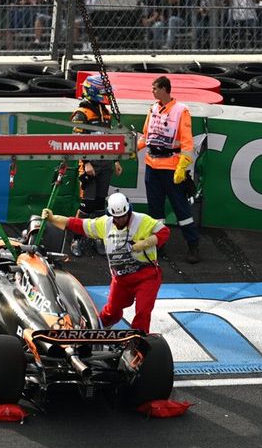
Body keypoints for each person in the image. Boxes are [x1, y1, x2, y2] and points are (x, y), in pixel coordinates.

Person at [41, 192, 168, 333]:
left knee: (143, 312)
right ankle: (97, 332)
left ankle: (138, 341)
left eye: (124, 216)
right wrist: (53, 218)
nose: (121, 220)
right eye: (117, 218)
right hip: (121, 279)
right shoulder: (104, 224)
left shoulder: (143, 221)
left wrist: (146, 243)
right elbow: (77, 224)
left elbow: (164, 232)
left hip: (146, 276)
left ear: (129, 210)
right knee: (111, 313)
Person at [138, 75, 199, 263]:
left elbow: (188, 143)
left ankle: (193, 246)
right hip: (152, 166)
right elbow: (146, 135)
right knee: (155, 211)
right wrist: (132, 149)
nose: (152, 91)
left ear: (164, 89)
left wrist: (182, 166)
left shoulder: (182, 111)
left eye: (155, 88)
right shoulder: (153, 108)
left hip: (172, 168)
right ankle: (159, 246)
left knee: (181, 209)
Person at [69, 75, 123, 257]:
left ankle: (99, 237)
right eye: (102, 92)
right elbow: (76, 141)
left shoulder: (105, 112)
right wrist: (86, 163)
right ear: (92, 91)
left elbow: (109, 139)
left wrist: (115, 160)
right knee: (86, 206)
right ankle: (77, 239)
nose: (105, 95)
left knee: (101, 205)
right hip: (90, 165)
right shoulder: (81, 114)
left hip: (106, 163)